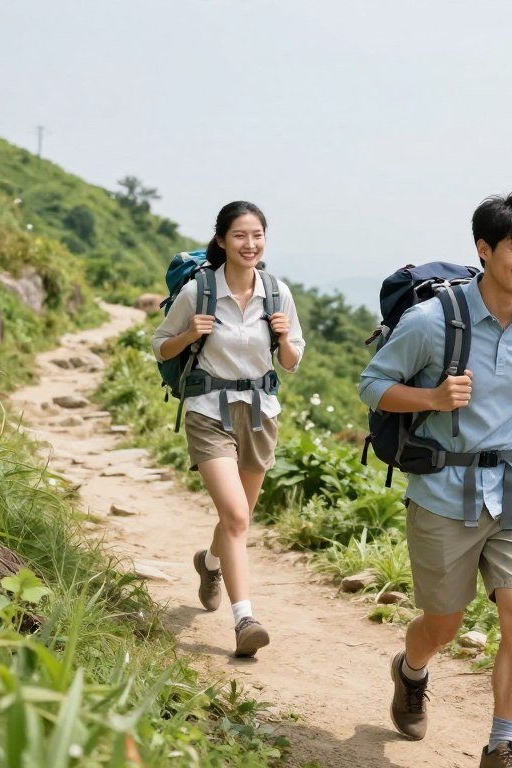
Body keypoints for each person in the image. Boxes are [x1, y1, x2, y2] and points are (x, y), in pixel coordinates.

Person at [358, 192, 512, 767]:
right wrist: (431, 396)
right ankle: (411, 670)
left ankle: (502, 744)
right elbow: (372, 385)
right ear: (484, 249)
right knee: (442, 626)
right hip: (442, 493)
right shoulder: (433, 322)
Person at [153, 200, 305, 658]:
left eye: (257, 235)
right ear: (221, 240)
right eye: (240, 235)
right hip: (208, 410)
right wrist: (188, 334)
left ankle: (211, 562)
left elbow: (293, 362)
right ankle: (245, 620)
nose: (250, 244)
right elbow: (161, 348)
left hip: (260, 412)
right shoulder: (199, 292)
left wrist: (282, 338)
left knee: (238, 517)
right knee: (237, 516)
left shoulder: (277, 294)